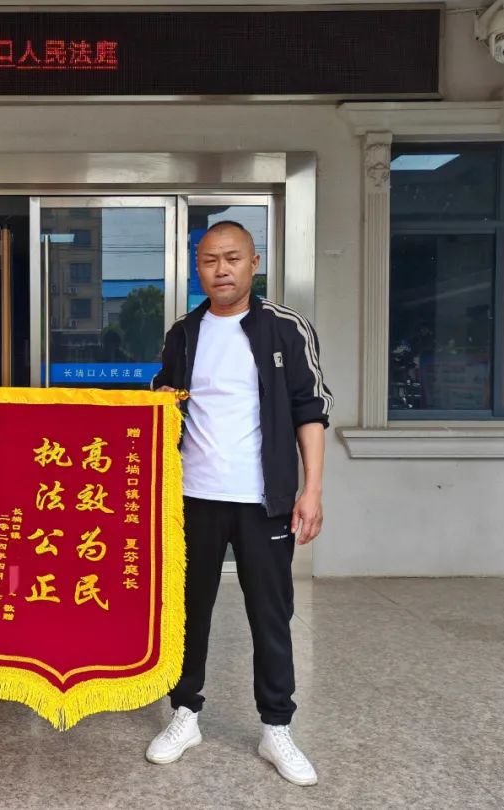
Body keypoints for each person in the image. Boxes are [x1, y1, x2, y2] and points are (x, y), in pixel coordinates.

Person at [146, 221, 332, 786]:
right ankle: (185, 713)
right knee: (187, 611)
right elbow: (163, 403)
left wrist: (312, 490)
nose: (220, 269)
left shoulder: (285, 328)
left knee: (271, 615)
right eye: (209, 260)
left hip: (264, 501)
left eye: (232, 258)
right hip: (192, 499)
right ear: (196, 269)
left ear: (254, 263)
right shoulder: (184, 333)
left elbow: (310, 409)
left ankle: (277, 727)